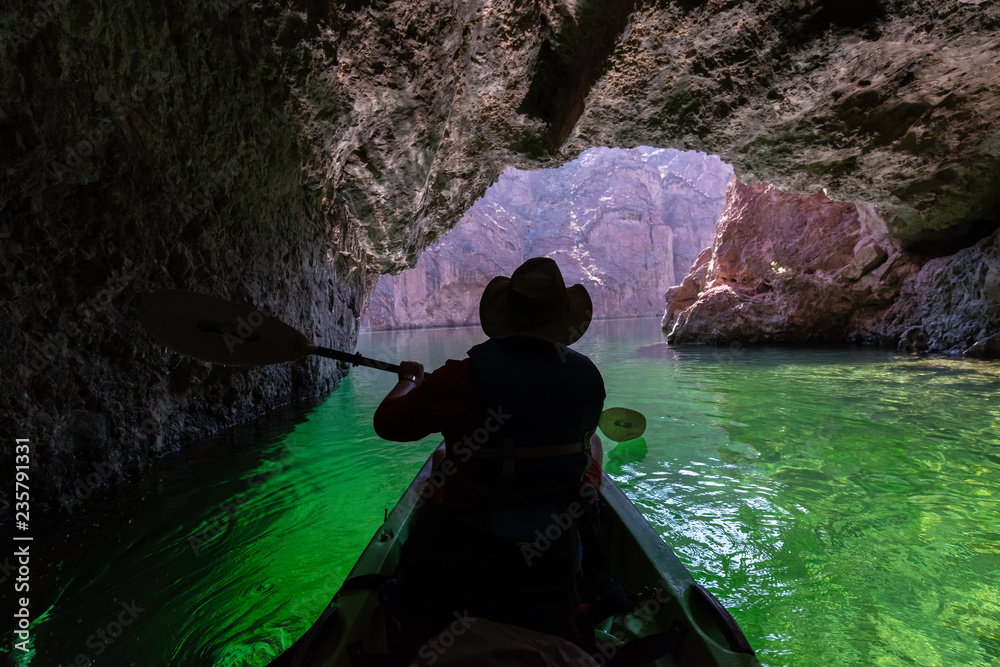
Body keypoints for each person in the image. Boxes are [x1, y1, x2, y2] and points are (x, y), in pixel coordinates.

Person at [372, 256, 608, 649]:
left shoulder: (460, 377)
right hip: (554, 551)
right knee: (594, 444)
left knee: (442, 457)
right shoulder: (589, 378)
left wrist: (409, 382)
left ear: (506, 313)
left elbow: (388, 424)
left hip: (466, 545)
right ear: (559, 318)